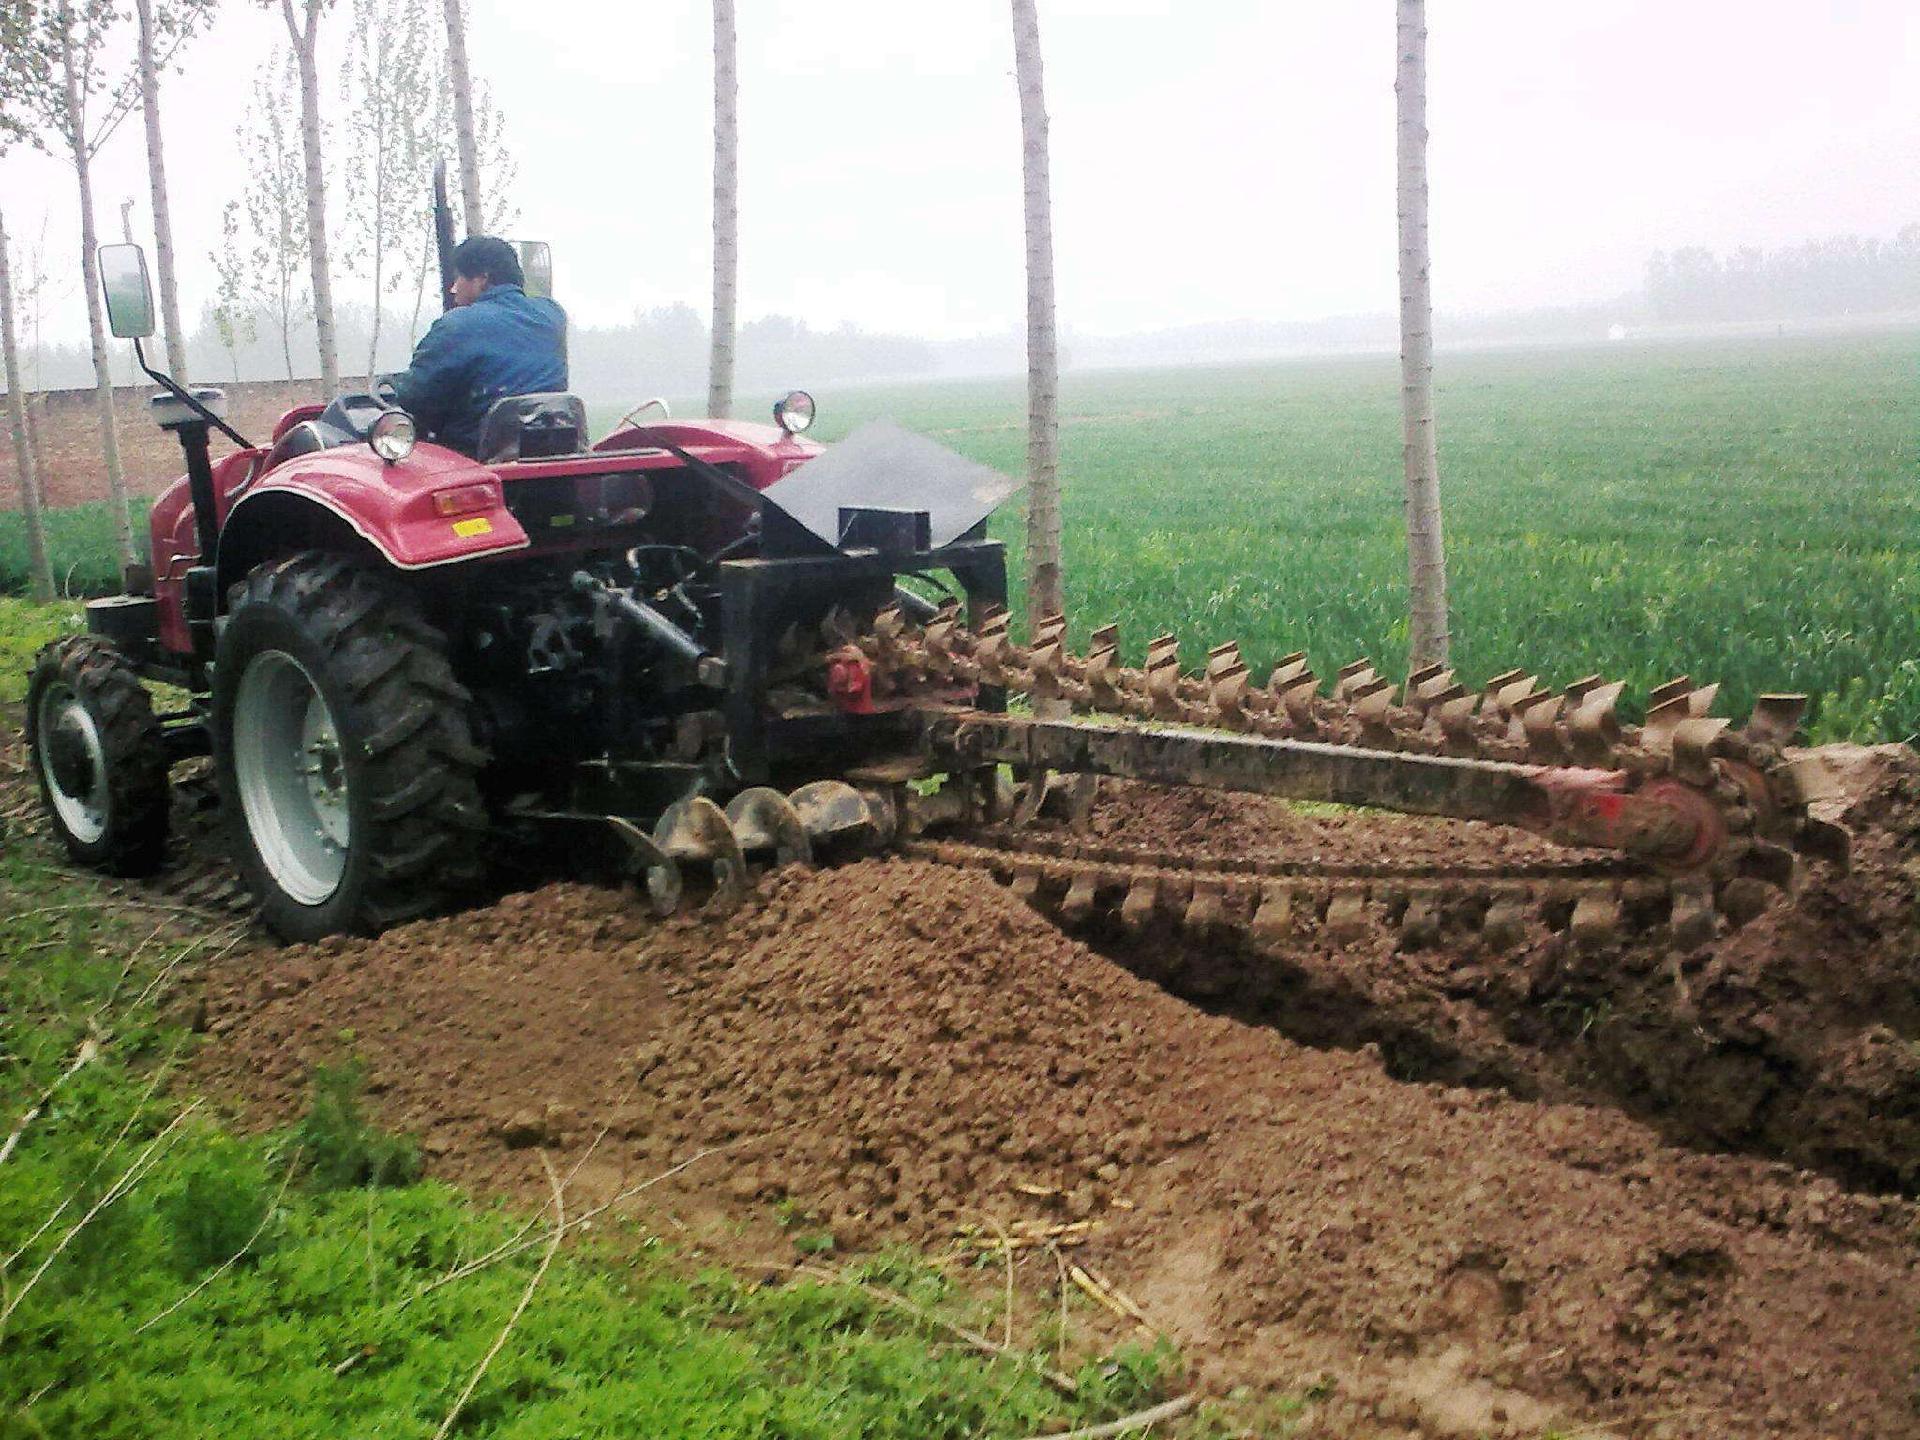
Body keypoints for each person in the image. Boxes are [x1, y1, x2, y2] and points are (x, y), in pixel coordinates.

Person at [389, 236, 567, 457]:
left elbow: (415, 397)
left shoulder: (458, 324)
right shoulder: (553, 315)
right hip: (550, 454)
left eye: (458, 278)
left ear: (483, 278)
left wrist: (395, 385)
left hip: (475, 460)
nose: (453, 289)